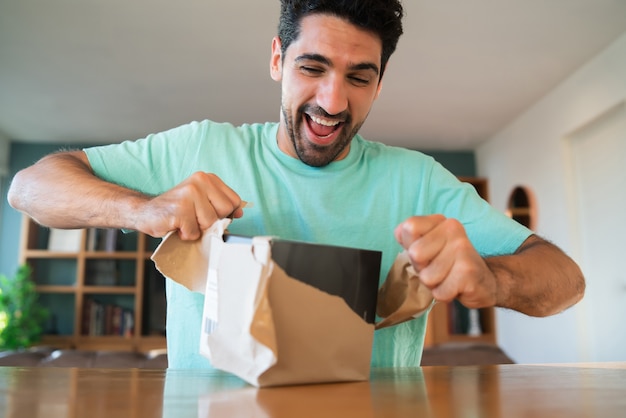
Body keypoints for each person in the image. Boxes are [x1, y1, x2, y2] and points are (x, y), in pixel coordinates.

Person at [8, 0, 584, 369]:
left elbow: (566, 280)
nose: (333, 103)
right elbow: (30, 186)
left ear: (380, 84)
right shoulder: (199, 148)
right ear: (278, 60)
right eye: (313, 68)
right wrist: (143, 209)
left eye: (360, 77)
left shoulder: (420, 180)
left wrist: (493, 277)